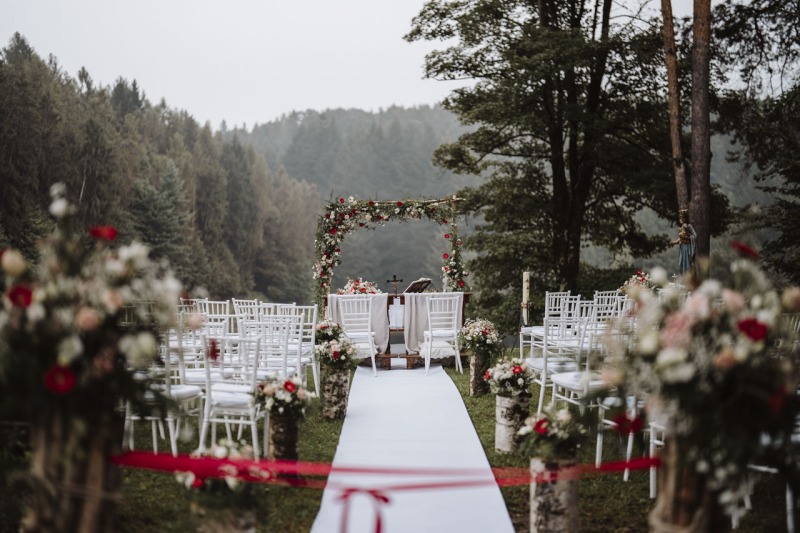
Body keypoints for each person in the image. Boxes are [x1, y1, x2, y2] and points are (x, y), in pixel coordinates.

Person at [671, 209, 696, 275]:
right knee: (682, 263)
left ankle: (688, 277)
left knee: (687, 263)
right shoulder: (682, 227)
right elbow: (680, 239)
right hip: (682, 247)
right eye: (680, 219)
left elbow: (694, 236)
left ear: (685, 219)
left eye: (681, 219)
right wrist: (673, 242)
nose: (680, 220)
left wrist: (686, 237)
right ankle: (683, 277)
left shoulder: (689, 226)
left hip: (687, 247)